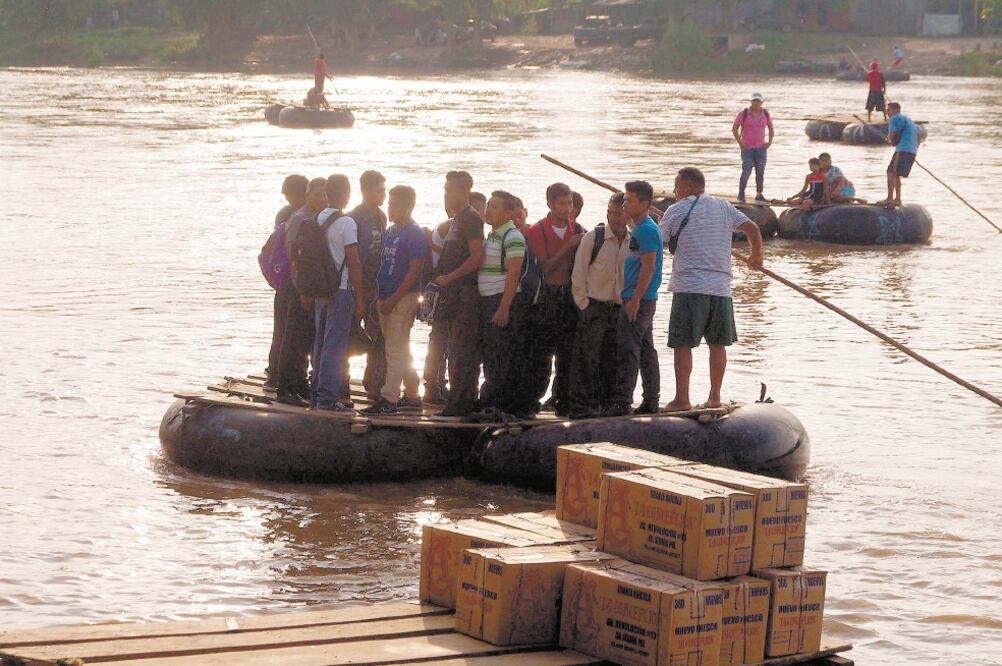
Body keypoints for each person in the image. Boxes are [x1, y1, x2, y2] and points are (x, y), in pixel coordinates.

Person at [660, 168, 763, 412]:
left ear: (685, 187)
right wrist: (756, 256)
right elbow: (753, 230)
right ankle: (714, 396)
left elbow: (658, 240)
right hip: (721, 288)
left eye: (676, 187)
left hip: (690, 286)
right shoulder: (723, 207)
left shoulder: (676, 209)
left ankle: (681, 399)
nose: (675, 193)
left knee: (682, 344)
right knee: (718, 344)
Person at [361, 186, 427, 416]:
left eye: (395, 205)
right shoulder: (391, 232)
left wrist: (395, 298)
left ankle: (389, 398)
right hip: (385, 296)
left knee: (394, 350)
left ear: (408, 206)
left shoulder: (414, 233)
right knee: (400, 348)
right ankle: (412, 393)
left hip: (403, 298)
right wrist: (380, 297)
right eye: (390, 204)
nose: (390, 208)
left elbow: (414, 271)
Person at [524, 182, 585, 417]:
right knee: (541, 354)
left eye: (570, 203)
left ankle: (564, 400)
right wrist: (568, 247)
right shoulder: (537, 230)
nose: (567, 208)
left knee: (568, 354)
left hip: (569, 297)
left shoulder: (578, 228)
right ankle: (532, 401)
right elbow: (545, 268)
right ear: (549, 203)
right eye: (562, 203)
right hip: (546, 296)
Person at [568, 192, 631, 419]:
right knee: (586, 358)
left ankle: (607, 407)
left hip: (618, 309)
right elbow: (579, 274)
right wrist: (584, 304)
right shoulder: (594, 238)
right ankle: (581, 408)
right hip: (594, 306)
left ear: (627, 214)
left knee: (612, 360)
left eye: (618, 212)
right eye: (610, 212)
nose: (614, 217)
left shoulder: (634, 241)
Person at [605, 181, 662, 417]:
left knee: (628, 348)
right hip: (638, 297)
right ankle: (650, 399)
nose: (625, 203)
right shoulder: (639, 227)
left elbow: (648, 267)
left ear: (645, 204)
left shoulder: (646, 230)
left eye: (629, 200)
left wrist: (635, 299)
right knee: (646, 348)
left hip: (639, 298)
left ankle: (622, 402)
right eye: (624, 199)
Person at [432, 171, 485, 418]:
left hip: (465, 292)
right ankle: (459, 399)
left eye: (450, 190)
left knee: (462, 350)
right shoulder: (457, 219)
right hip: (453, 293)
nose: (446, 194)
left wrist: (450, 277)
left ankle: (461, 402)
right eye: (445, 190)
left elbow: (477, 257)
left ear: (464, 192)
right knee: (455, 347)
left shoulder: (471, 219)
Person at [312, 175, 366, 412]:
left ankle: (316, 393)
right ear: (346, 193)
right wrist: (361, 297)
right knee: (335, 346)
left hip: (320, 290)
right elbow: (353, 261)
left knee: (320, 343)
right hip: (342, 290)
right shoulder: (347, 223)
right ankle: (327, 400)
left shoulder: (316, 218)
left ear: (326, 194)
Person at [476, 190, 530, 415]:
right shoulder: (493, 234)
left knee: (500, 353)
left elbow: (513, 274)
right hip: (489, 299)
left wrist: (503, 308)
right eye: (489, 205)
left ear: (509, 212)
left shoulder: (512, 236)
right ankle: (490, 399)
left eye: (495, 206)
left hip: (501, 300)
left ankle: (497, 403)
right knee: (491, 352)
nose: (488, 210)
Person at [275, 177, 327, 407]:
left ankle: (300, 382)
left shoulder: (317, 218)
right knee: (293, 338)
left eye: (325, 195)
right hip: (296, 287)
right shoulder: (299, 218)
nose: (322, 199)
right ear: (308, 195)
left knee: (306, 337)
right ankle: (286, 387)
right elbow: (293, 256)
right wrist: (302, 289)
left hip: (309, 287)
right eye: (317, 194)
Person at [264, 174, 308, 391]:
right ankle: (279, 374)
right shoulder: (298, 215)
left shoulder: (287, 214)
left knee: (282, 330)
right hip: (293, 282)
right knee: (290, 331)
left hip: (283, 281)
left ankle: (275, 372)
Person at [348, 170, 389, 401]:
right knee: (351, 334)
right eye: (379, 190)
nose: (383, 194)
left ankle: (374, 383)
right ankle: (341, 385)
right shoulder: (354, 218)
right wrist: (358, 292)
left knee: (378, 336)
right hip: (356, 284)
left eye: (384, 190)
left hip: (377, 284)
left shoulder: (382, 217)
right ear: (365, 191)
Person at [421, 206, 453, 406]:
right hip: (442, 294)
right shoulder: (450, 227)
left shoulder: (455, 228)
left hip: (443, 292)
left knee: (442, 341)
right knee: (440, 341)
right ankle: (433, 386)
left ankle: (438, 384)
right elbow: (450, 257)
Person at [733, 92, 774, 204]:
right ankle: (741, 194)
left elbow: (770, 128)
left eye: (758, 101)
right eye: (754, 101)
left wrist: (769, 142)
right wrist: (740, 143)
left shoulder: (765, 114)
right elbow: (735, 128)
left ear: (762, 102)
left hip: (761, 148)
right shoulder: (744, 113)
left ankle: (759, 194)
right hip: (747, 148)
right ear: (751, 101)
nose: (756, 103)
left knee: (760, 172)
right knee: (746, 171)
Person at [881, 102, 919, 208]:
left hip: (902, 150)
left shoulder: (894, 118)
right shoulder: (908, 119)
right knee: (896, 174)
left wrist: (888, 139)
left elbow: (892, 134)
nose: (887, 112)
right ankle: (897, 199)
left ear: (896, 110)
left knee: (890, 172)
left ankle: (889, 199)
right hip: (911, 151)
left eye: (889, 110)